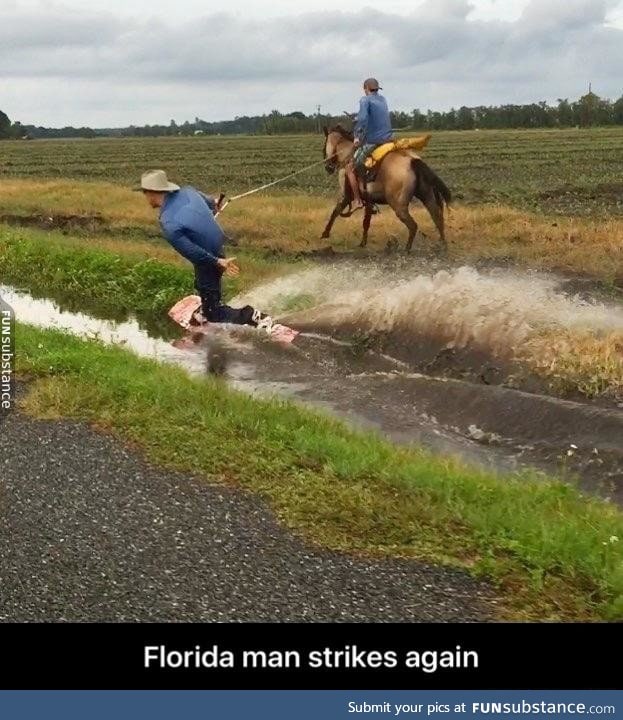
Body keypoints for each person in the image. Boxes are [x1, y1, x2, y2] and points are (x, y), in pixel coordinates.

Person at [136, 169, 273, 331]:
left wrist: (217, 262)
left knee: (213, 312)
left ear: (151, 193)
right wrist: (215, 205)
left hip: (208, 256)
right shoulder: (188, 191)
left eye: (144, 193)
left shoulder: (168, 222)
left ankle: (251, 316)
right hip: (217, 246)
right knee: (204, 286)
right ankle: (208, 304)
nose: (145, 197)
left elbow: (192, 252)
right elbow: (212, 204)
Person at [346, 78, 393, 211]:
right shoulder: (383, 99)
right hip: (389, 139)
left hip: (373, 141)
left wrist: (356, 137)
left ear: (365, 88)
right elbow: (374, 117)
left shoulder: (364, 100)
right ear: (377, 89)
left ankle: (358, 200)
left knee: (350, 168)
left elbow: (363, 120)